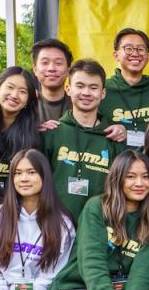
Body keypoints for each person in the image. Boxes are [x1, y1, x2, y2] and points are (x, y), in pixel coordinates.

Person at [48, 152, 149, 290]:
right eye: (131, 177)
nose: (139, 183)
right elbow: (92, 259)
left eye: (146, 177)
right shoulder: (96, 207)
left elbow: (142, 275)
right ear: (117, 179)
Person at [0, 150, 75, 290]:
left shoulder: (61, 223)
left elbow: (51, 276)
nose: (23, 179)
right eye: (18, 173)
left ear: (44, 177)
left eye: (31, 172)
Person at [42, 59, 126, 222]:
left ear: (103, 93)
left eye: (93, 87)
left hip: (98, 228)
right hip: (54, 226)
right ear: (68, 89)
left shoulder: (113, 138)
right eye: (80, 86)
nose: (86, 93)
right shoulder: (52, 133)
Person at [101, 28, 149, 148]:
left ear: (148, 57)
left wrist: (128, 134)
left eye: (140, 49)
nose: (135, 53)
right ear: (116, 54)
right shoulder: (102, 90)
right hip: (115, 163)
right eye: (128, 48)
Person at [32, 38, 73, 126]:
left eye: (58, 63)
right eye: (45, 62)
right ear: (35, 70)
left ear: (68, 71)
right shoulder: (26, 104)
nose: (51, 68)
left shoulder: (79, 103)